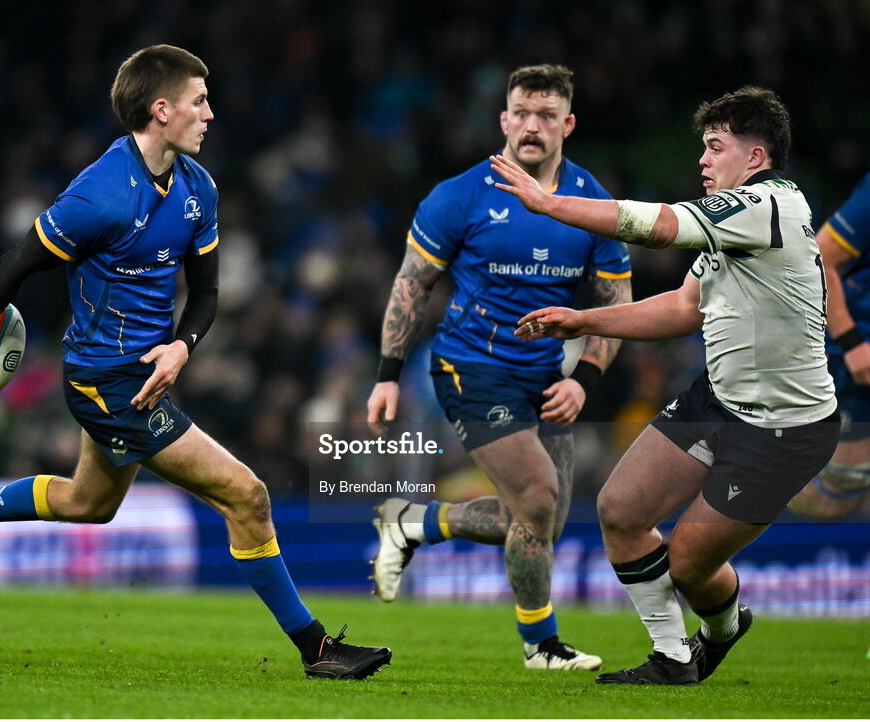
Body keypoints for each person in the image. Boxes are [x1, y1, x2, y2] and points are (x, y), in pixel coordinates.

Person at [0, 44, 391, 681]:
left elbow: (208, 292)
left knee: (88, 503)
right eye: (199, 102)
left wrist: (183, 344)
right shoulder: (99, 195)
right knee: (247, 495)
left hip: (141, 375)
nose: (211, 114)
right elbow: (18, 261)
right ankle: (316, 649)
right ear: (161, 110)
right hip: (106, 382)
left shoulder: (198, 188)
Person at [492, 86, 839, 685]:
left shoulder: (767, 206)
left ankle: (722, 630)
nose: (703, 160)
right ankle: (674, 658)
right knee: (621, 510)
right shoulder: (736, 224)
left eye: (715, 147)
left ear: (755, 158)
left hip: (786, 428)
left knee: (688, 566)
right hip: (720, 400)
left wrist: (551, 206)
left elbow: (657, 226)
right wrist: (583, 319)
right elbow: (683, 309)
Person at [366, 64, 632, 671]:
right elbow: (413, 285)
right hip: (470, 367)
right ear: (504, 119)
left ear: (567, 124)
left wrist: (583, 379)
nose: (532, 126)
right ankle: (542, 646)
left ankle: (413, 523)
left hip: (545, 376)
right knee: (536, 499)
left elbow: (616, 302)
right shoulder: (460, 195)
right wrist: (387, 373)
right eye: (522, 113)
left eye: (546, 116)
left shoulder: (592, 203)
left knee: (540, 522)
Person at [789, 172, 870, 521]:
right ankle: (742, 467)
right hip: (857, 354)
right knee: (837, 498)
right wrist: (852, 343)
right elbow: (822, 256)